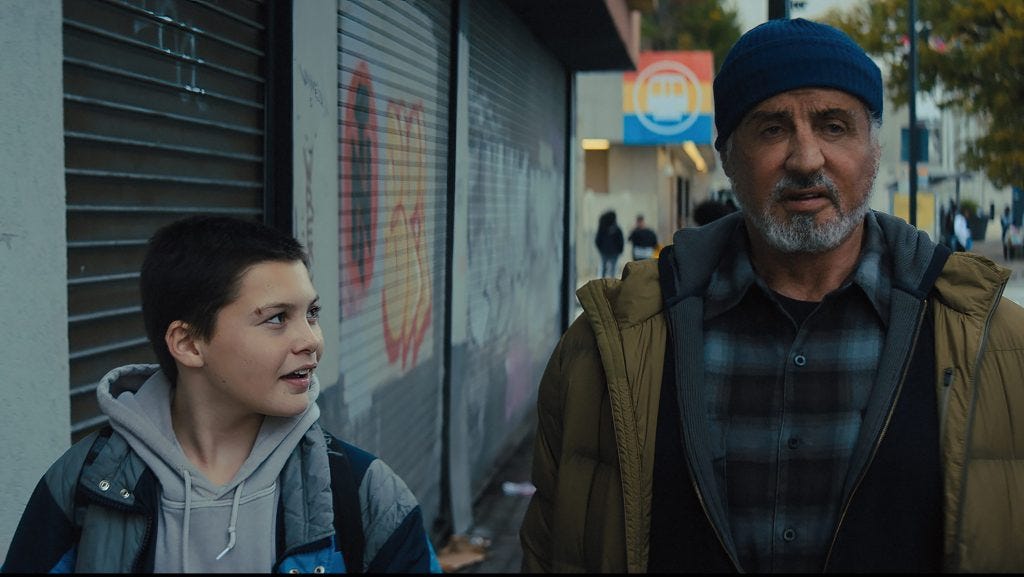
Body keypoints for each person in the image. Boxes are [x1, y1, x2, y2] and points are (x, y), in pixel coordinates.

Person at [520, 17, 1024, 573]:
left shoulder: (998, 349)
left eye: (834, 126)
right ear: (727, 157)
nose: (806, 159)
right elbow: (552, 549)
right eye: (772, 129)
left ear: (873, 149)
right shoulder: (606, 350)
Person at [2, 216, 441, 573]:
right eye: (276, 318)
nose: (311, 340)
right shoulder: (83, 484)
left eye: (312, 313)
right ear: (190, 344)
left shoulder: (363, 493)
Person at [595, 210, 624, 277]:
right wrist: (620, 250)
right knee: (612, 268)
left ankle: (602, 280)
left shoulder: (602, 228)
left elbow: (597, 240)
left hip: (605, 251)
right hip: (613, 252)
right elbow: (620, 240)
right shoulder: (616, 229)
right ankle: (611, 281)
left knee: (603, 267)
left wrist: (601, 249)